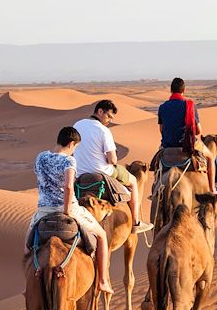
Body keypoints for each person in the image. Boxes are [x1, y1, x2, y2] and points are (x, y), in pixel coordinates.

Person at [25, 126, 114, 294]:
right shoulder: (69, 161)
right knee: (101, 236)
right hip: (68, 208)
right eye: (75, 147)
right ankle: (102, 281)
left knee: (27, 245)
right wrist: (67, 211)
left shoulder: (41, 157)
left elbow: (40, 177)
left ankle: (27, 283)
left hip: (44, 210)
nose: (74, 151)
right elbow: (68, 186)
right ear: (72, 144)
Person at [73, 100, 154, 234]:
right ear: (100, 112)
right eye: (109, 116)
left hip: (80, 173)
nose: (110, 120)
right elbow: (112, 160)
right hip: (103, 172)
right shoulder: (103, 130)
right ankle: (136, 222)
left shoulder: (77, 125)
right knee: (133, 181)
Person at [157, 77, 217, 193]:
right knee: (210, 157)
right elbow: (198, 131)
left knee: (157, 163)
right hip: (188, 145)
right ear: (184, 90)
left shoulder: (162, 107)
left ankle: (156, 188)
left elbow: (161, 130)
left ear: (171, 90)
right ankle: (212, 189)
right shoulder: (189, 105)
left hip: (168, 145)